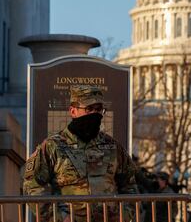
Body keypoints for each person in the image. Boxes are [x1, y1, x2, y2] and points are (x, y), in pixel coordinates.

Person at [23, 85, 139, 222]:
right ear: (73, 111)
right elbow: (33, 185)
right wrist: (58, 218)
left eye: (98, 110)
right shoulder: (52, 146)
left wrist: (124, 216)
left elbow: (130, 185)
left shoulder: (113, 147)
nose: (94, 114)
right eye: (89, 109)